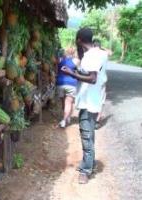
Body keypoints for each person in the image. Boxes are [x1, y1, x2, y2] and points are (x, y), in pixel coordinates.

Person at [61, 28, 108, 184]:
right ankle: (89, 163)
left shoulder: (91, 56)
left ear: (79, 40)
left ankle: (86, 171)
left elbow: (92, 78)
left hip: (89, 103)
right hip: (92, 101)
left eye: (76, 40)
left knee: (87, 137)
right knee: (89, 136)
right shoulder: (99, 53)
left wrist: (72, 74)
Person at [56, 47, 80, 128]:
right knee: (69, 102)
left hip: (60, 83)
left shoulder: (60, 60)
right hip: (71, 84)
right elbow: (79, 70)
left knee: (64, 102)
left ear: (65, 52)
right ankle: (64, 119)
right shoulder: (76, 61)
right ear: (73, 53)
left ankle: (67, 117)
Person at [92, 39, 109, 129]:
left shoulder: (90, 54)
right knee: (101, 100)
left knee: (91, 98)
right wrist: (102, 47)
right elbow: (110, 52)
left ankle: (90, 118)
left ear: (93, 45)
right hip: (102, 81)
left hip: (91, 80)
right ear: (100, 46)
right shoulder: (104, 54)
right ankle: (97, 121)